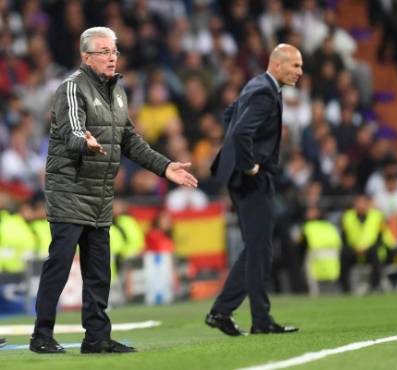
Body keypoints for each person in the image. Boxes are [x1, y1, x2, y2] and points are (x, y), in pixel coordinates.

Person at [29, 27, 197, 354]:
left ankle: (96, 338)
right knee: (60, 262)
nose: (111, 57)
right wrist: (84, 142)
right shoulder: (70, 88)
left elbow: (130, 140)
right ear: (85, 56)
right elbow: (72, 130)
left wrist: (164, 167)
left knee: (99, 269)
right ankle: (42, 335)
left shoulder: (118, 91)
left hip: (101, 193)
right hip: (70, 188)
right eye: (104, 51)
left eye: (114, 51)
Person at [205, 44, 302, 336]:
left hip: (242, 179)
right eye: (295, 65)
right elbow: (242, 131)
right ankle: (257, 319)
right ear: (278, 64)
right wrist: (248, 165)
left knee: (257, 248)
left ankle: (225, 312)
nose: (300, 72)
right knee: (259, 249)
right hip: (251, 179)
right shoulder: (265, 91)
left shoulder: (256, 84)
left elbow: (229, 114)